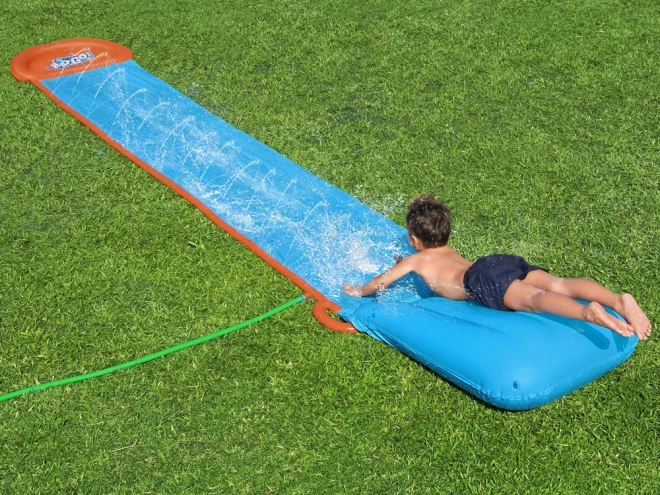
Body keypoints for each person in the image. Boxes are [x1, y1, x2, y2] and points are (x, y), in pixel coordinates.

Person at [342, 194, 651, 340]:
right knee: (559, 283)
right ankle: (617, 300)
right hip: (494, 262)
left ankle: (588, 313)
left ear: (413, 239)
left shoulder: (415, 260)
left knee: (534, 300)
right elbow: (436, 263)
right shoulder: (444, 250)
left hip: (480, 279)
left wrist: (359, 291)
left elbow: (381, 282)